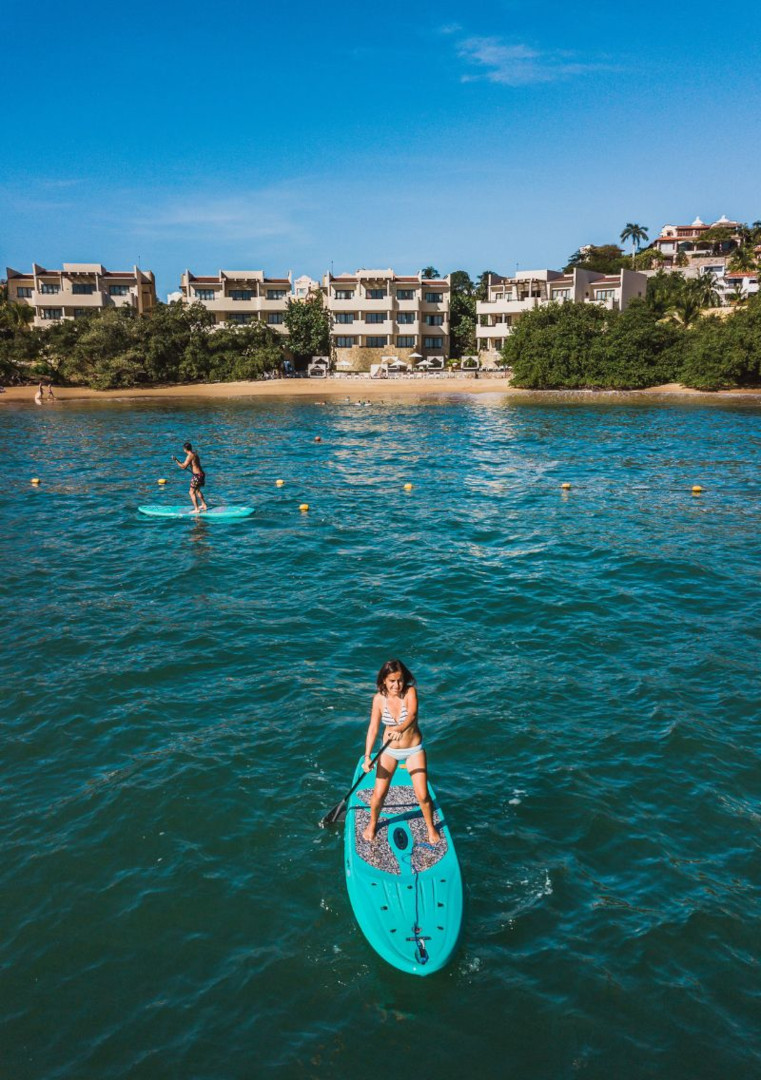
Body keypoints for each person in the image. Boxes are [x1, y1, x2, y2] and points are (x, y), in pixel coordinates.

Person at [361, 659, 440, 845]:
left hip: (413, 750)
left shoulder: (410, 692)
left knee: (422, 795)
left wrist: (400, 728)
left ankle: (430, 826)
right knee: (379, 794)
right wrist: (367, 757)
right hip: (389, 751)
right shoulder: (379, 699)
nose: (397, 685)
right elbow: (373, 728)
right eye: (392, 681)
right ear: (383, 681)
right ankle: (373, 824)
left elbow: (412, 715)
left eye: (400, 680)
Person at [172, 441, 208, 513]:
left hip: (197, 476)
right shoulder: (195, 454)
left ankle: (197, 509)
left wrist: (176, 460)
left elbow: (183, 466)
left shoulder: (190, 456)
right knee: (197, 490)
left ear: (185, 449)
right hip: (201, 474)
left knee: (191, 492)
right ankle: (204, 505)